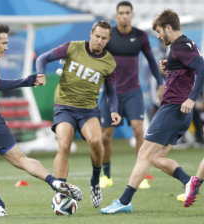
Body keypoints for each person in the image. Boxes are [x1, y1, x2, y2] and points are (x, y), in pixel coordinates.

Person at [100, 9, 204, 214]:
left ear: (167, 27)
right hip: (179, 113)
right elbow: (188, 70)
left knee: (144, 154)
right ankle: (188, 180)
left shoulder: (180, 45)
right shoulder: (185, 44)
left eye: (158, 31)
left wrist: (192, 98)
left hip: (173, 108)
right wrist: (170, 67)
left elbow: (201, 68)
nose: (157, 36)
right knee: (156, 158)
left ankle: (124, 201)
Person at [0, 22, 82, 217]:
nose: (7, 47)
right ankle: (54, 181)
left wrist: (27, 81)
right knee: (20, 159)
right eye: (4, 43)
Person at [36, 20, 121, 208]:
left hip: (88, 110)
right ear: (91, 33)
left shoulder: (109, 62)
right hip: (64, 107)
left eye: (104, 38)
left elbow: (111, 91)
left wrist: (114, 110)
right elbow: (42, 58)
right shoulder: (72, 47)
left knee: (97, 141)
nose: (99, 40)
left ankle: (95, 182)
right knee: (64, 144)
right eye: (97, 36)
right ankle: (62, 192)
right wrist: (41, 73)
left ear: (108, 40)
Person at [99, 1, 164, 189]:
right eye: (121, 13)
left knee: (138, 130)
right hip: (111, 94)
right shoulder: (108, 36)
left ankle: (140, 176)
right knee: (105, 136)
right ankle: (106, 175)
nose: (124, 15)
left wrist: (160, 83)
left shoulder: (140, 36)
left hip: (133, 92)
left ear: (132, 15)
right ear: (116, 15)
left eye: (128, 12)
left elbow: (152, 61)